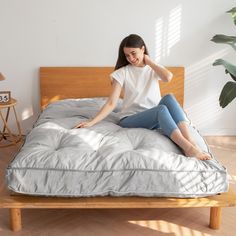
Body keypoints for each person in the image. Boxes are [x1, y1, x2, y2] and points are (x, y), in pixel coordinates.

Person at [75, 34, 211, 161]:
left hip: (154, 117)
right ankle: (188, 148)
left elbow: (168, 77)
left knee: (168, 97)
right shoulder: (122, 73)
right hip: (130, 119)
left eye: (134, 53)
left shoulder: (152, 68)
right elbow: (111, 103)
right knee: (161, 109)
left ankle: (191, 142)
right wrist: (92, 122)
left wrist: (149, 61)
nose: (131, 59)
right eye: (127, 55)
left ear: (142, 49)